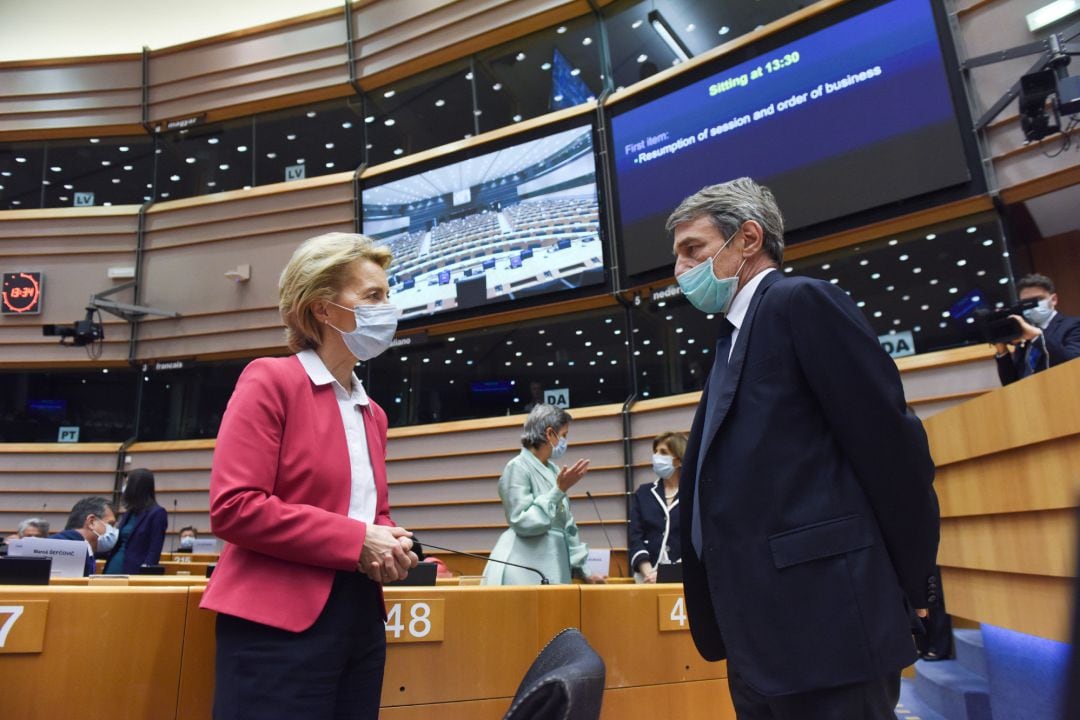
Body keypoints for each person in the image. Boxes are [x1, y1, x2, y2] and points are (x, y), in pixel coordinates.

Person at [669, 178, 939, 719]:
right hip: (759, 637)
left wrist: (911, 587)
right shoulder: (730, 340)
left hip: (829, 624)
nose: (680, 270)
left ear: (748, 238)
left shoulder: (801, 302)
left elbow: (891, 450)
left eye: (692, 249)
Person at [200, 232, 418, 720]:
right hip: (277, 625)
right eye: (373, 297)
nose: (389, 308)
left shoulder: (373, 413)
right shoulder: (270, 380)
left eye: (388, 294)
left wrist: (392, 546)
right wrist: (359, 539)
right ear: (323, 309)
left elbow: (369, 512)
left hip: (360, 616)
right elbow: (234, 507)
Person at [483, 404, 605, 585]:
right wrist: (558, 491)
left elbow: (567, 526)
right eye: (563, 435)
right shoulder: (517, 467)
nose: (565, 441)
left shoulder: (554, 470)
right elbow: (521, 521)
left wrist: (583, 570)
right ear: (549, 434)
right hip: (522, 566)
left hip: (553, 561)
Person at [994, 273, 1080, 386]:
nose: (1032, 305)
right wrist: (1002, 349)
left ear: (1053, 300)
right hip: (1030, 399)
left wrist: (1037, 337)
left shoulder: (1074, 325)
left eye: (1038, 299)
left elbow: (1073, 364)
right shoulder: (1024, 335)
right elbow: (1011, 384)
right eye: (1025, 302)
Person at [628, 431, 687, 583]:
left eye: (663, 452)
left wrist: (670, 573)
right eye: (655, 452)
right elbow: (635, 537)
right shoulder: (643, 493)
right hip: (646, 578)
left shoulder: (693, 495)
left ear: (679, 460)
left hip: (683, 577)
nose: (656, 456)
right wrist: (649, 573)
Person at [104, 467, 168, 574]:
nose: (124, 487)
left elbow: (154, 550)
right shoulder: (130, 512)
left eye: (127, 483)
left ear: (136, 486)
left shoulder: (157, 513)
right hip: (113, 565)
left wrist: (144, 575)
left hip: (134, 571)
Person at [50, 497, 117, 576]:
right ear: (91, 522)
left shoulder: (85, 549)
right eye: (110, 524)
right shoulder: (66, 551)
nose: (114, 530)